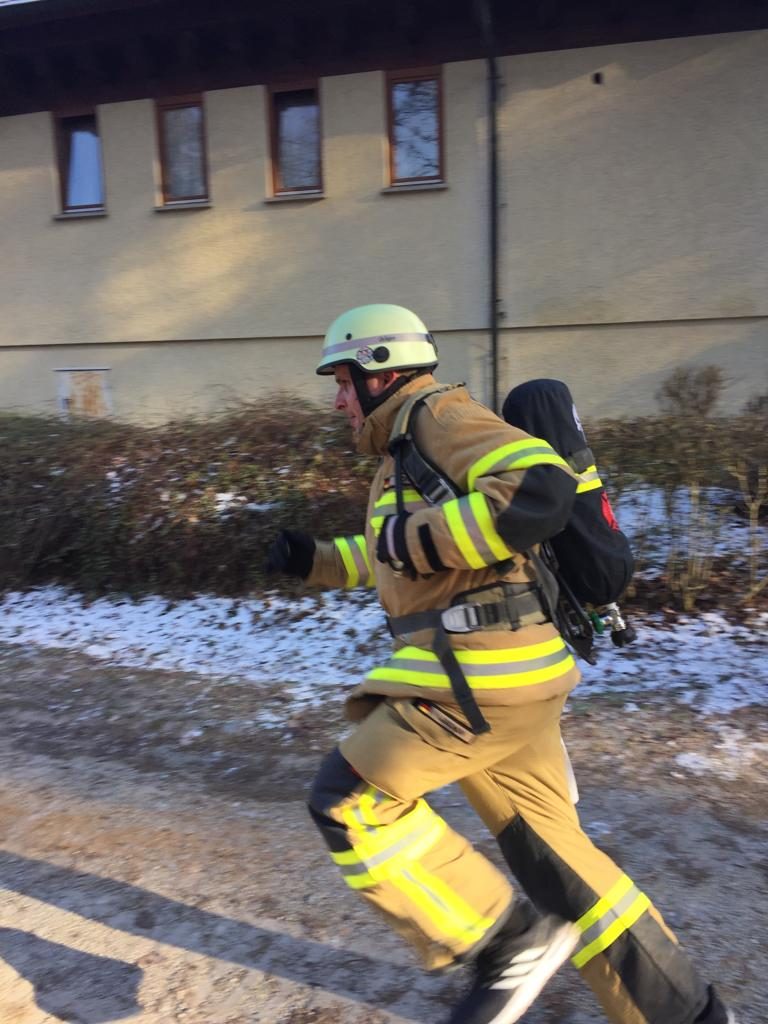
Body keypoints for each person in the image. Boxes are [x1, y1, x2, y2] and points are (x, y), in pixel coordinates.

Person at [267, 303, 734, 1024]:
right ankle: (689, 1014)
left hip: (480, 676)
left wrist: (410, 540)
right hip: (512, 678)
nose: (336, 398)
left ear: (379, 370)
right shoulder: (403, 454)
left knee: (351, 803)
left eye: (341, 379)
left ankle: (505, 945)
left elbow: (538, 490)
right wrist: (318, 561)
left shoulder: (438, 418)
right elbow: (401, 555)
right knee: (563, 869)